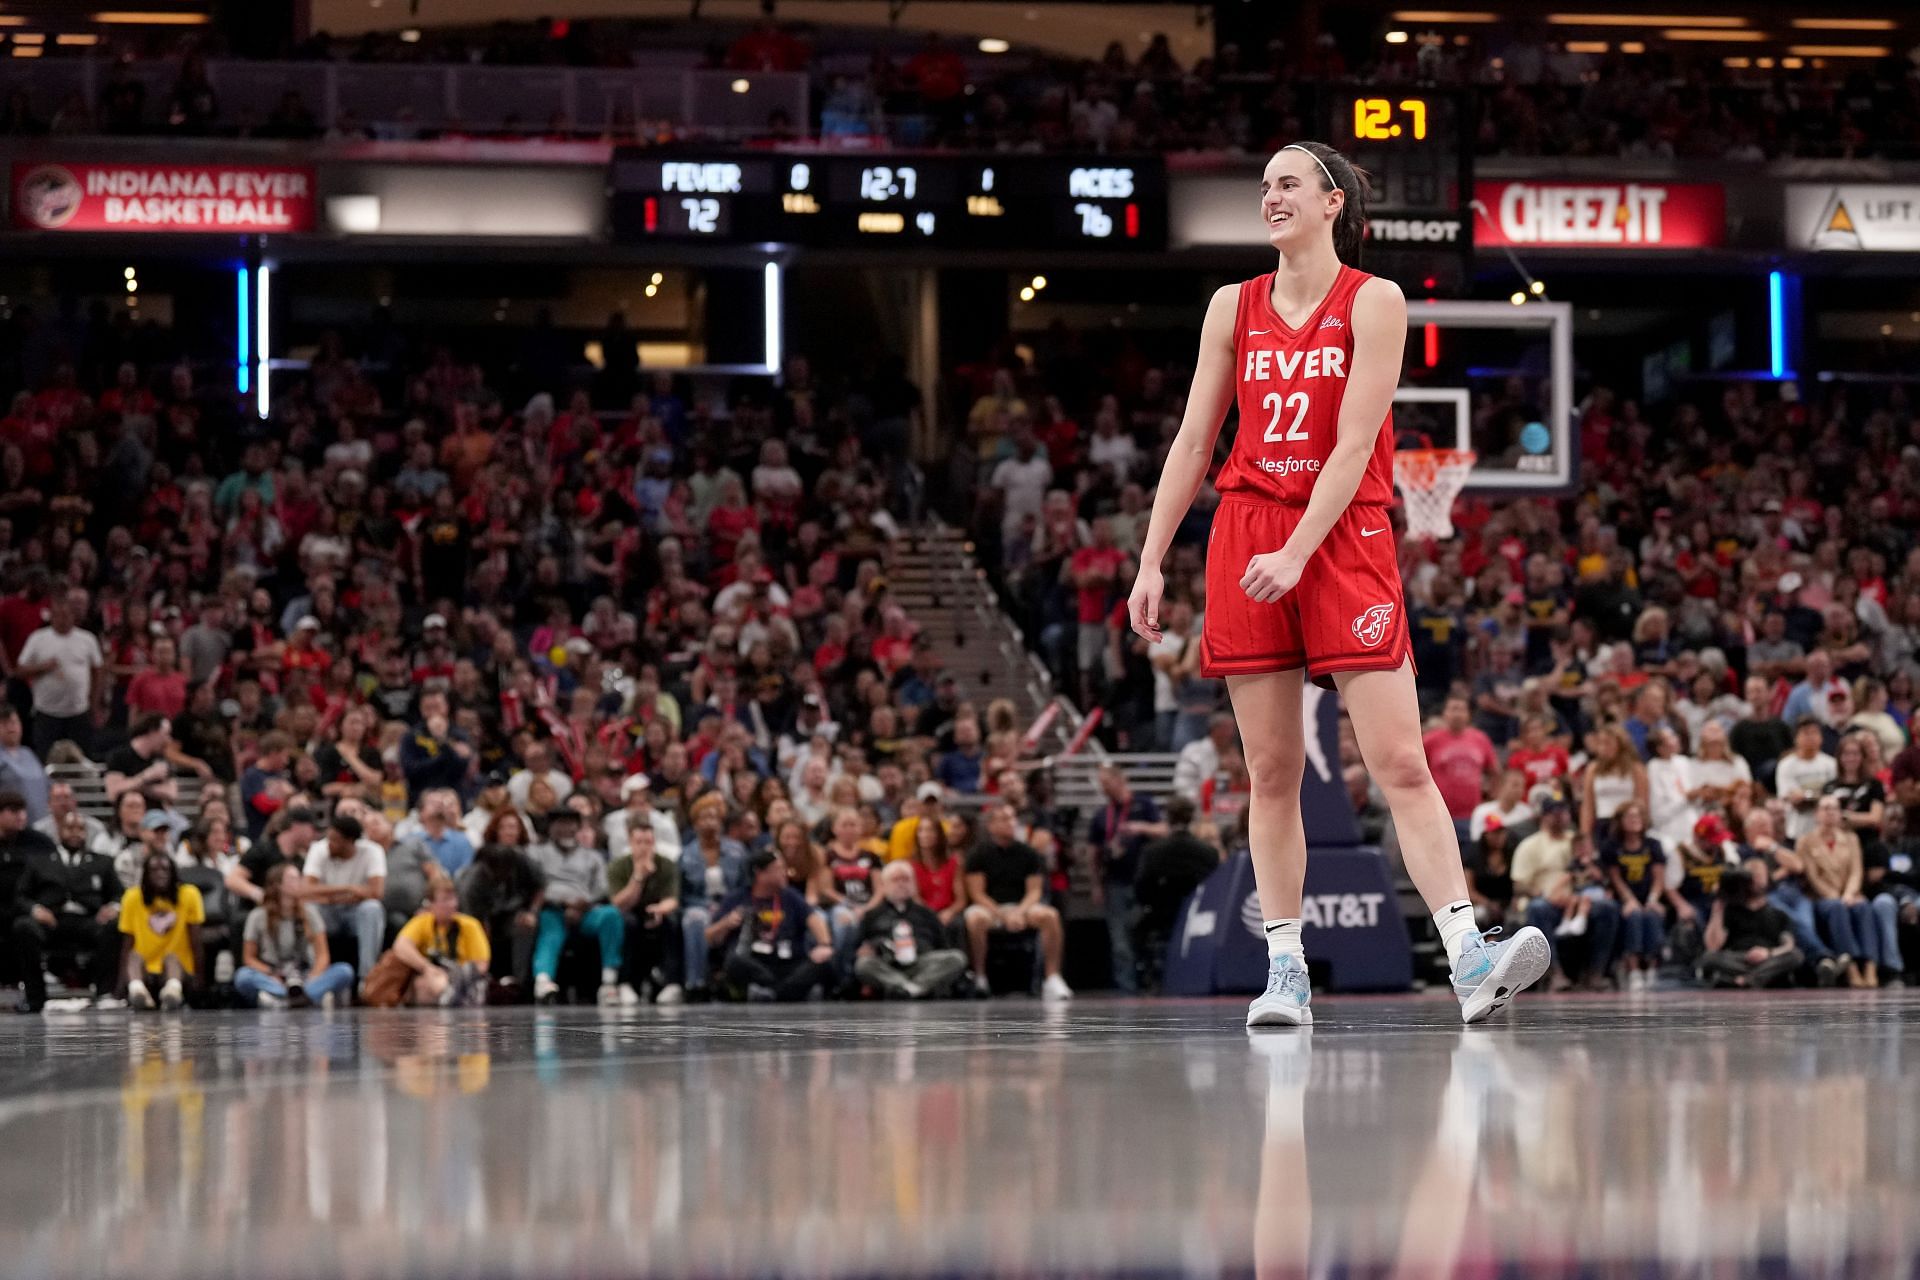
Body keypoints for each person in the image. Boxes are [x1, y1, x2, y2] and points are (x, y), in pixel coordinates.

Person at [1126, 141, 1551, 1026]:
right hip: (1249, 529)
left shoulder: (1377, 301)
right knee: (1272, 770)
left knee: (1399, 757)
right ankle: (1285, 971)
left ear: (1332, 202)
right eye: (1265, 186)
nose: (1269, 197)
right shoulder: (1229, 306)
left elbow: (1356, 444)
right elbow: (1196, 441)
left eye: (1287, 184)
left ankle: (1469, 958)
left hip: (1345, 533)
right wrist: (1151, 557)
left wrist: (1298, 553)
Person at [12, 798, 118, 1011]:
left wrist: (113, 907)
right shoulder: (40, 861)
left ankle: (105, 992)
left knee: (114, 926)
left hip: (88, 920)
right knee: (23, 926)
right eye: (70, 828)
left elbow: (119, 894)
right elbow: (20, 896)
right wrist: (35, 909)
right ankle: (35, 998)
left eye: (80, 829)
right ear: (59, 831)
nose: (75, 833)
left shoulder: (102, 862)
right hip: (51, 919)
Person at [963, 803, 1072, 1000]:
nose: (1011, 823)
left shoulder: (1029, 853)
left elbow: (1035, 891)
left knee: (1050, 916)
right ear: (991, 826)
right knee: (974, 918)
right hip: (991, 908)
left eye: (1013, 818)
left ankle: (1052, 977)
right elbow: (977, 893)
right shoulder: (977, 854)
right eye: (1005, 819)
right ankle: (980, 977)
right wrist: (1002, 914)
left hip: (1021, 907)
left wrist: (1019, 912)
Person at [706, 849, 835, 1001]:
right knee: (734, 962)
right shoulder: (738, 898)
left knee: (823, 963)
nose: (784, 873)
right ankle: (786, 992)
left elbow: (813, 918)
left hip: (788, 961)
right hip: (757, 962)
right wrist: (726, 923)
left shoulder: (790, 896)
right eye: (778, 869)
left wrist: (824, 944)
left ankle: (772, 993)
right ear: (760, 873)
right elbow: (709, 935)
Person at [1798, 793, 1897, 987]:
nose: (1829, 813)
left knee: (1864, 907)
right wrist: (1836, 896)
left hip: (1848, 893)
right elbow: (1813, 876)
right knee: (1837, 909)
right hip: (1822, 897)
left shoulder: (1851, 839)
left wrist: (1849, 893)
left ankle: (1870, 967)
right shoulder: (1806, 841)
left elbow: (1856, 871)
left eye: (1834, 808)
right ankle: (1851, 968)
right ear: (1817, 814)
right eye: (1825, 808)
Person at [528, 808, 625, 1005]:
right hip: (553, 909)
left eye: (570, 824)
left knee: (612, 915)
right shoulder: (536, 853)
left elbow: (602, 889)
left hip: (585, 910)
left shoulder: (593, 857)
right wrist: (563, 903)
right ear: (551, 828)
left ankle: (609, 982)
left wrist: (583, 905)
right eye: (560, 824)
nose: (565, 829)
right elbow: (532, 886)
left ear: (578, 828)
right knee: (550, 929)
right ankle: (543, 981)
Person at [1084, 763, 1166, 993]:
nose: (1104, 788)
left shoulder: (1144, 805)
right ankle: (1126, 988)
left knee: (1144, 933)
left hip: (1145, 882)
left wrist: (1140, 828)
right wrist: (1096, 884)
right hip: (1115, 881)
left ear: (1120, 780)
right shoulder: (1102, 815)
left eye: (1106, 783)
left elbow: (1163, 830)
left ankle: (1152, 983)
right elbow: (1093, 853)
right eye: (1101, 785)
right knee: (1119, 939)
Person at [236, 862, 355, 1009]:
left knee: (344, 971)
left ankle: (288, 999)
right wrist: (271, 974)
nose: (298, 883)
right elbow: (249, 958)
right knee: (243, 976)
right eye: (292, 879)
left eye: (299, 878)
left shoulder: (310, 913)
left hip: (305, 974)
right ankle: (297, 997)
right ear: (278, 885)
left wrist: (313, 977)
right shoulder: (257, 916)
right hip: (274, 975)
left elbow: (323, 956)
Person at [1132, 795, 1224, 981]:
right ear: (1191, 817)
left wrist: (1153, 902)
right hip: (1200, 915)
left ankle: (1146, 978)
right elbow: (1217, 887)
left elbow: (1141, 887)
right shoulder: (1208, 852)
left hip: (1162, 915)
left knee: (1136, 928)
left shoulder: (1152, 852)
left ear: (1168, 817)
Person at [854, 861, 968, 999]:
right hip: (888, 966)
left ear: (914, 884)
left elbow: (943, 946)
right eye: (896, 879)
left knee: (956, 957)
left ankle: (909, 989)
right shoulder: (872, 915)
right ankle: (909, 987)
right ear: (884, 885)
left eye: (906, 879)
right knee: (863, 964)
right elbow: (859, 947)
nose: (902, 884)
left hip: (921, 964)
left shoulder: (927, 914)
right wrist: (869, 950)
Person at [302, 812, 388, 988]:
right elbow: (306, 890)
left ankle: (367, 978)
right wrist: (348, 889)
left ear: (349, 842)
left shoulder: (372, 851)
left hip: (356, 912)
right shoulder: (319, 849)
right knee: (309, 909)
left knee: (372, 909)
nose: (329, 844)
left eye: (334, 840)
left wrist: (328, 895)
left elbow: (376, 892)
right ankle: (313, 974)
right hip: (328, 911)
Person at [14, 589, 102, 756]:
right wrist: (42, 667)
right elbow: (20, 670)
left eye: (67, 615)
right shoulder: (38, 638)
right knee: (45, 757)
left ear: (73, 616)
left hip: (78, 711)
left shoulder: (87, 639)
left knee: (81, 757)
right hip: (47, 711)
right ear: (52, 616)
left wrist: (94, 703)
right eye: (58, 615)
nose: (63, 619)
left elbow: (97, 671)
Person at [1600, 800, 1673, 991]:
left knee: (1651, 914)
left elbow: (1659, 878)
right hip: (1623, 898)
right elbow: (1616, 879)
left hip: (1648, 895)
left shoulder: (1653, 845)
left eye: (1638, 816)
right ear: (1620, 821)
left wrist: (1652, 899)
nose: (1635, 820)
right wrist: (1630, 901)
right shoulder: (1611, 846)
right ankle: (1633, 969)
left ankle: (1651, 966)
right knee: (1634, 915)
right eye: (1630, 816)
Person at [116, 850, 202, 1011]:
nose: (160, 874)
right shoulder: (132, 897)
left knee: (171, 958)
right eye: (154, 870)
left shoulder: (190, 895)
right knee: (133, 957)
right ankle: (137, 991)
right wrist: (121, 983)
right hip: (145, 973)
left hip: (178, 972)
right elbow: (126, 945)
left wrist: (199, 979)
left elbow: (196, 942)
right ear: (145, 875)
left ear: (174, 873)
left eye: (165, 869)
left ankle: (172, 991)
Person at [607, 823, 684, 1005]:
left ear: (654, 842)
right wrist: (639, 877)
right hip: (629, 912)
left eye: (648, 842)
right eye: (639, 841)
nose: (644, 846)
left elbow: (672, 898)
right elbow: (618, 903)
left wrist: (660, 910)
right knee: (627, 922)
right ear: (630, 843)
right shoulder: (619, 866)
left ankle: (672, 983)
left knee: (672, 920)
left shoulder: (666, 864)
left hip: (657, 911)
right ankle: (624, 983)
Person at [1699, 859, 1804, 989]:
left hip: (1768, 958)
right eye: (1752, 874)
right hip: (1739, 958)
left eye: (1759, 874)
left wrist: (1768, 953)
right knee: (1709, 958)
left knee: (1796, 955)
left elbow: (1788, 945)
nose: (1755, 879)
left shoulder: (1779, 914)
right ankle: (1759, 978)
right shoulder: (1730, 910)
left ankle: (1746, 980)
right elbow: (1712, 946)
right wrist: (1718, 909)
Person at [456, 838, 544, 992]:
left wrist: (532, 912)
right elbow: (475, 922)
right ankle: (485, 984)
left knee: (525, 925)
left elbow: (540, 886)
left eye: (506, 869)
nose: (502, 873)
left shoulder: (521, 861)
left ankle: (520, 983)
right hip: (484, 918)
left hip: (514, 913)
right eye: (497, 870)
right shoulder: (472, 882)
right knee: (479, 936)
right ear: (487, 867)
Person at [388, 880, 491, 1006]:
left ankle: (451, 998)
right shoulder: (423, 921)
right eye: (445, 900)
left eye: (453, 899)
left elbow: (481, 965)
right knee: (422, 985)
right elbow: (400, 946)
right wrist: (426, 967)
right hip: (434, 976)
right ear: (431, 904)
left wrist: (453, 977)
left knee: (435, 985)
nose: (452, 904)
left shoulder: (470, 925)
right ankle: (446, 1000)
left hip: (463, 979)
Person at [1775, 716, 1838, 842]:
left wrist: (1806, 796)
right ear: (1796, 738)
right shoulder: (1786, 765)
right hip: (1797, 830)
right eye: (1805, 733)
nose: (1810, 737)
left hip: (1826, 831)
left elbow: (1833, 797)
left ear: (1821, 737)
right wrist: (1819, 796)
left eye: (1814, 733)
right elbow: (1791, 798)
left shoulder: (1831, 764)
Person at [0, 705, 48, 824]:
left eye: (14, 722)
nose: (11, 727)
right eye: (5, 723)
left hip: (40, 820)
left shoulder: (28, 753)